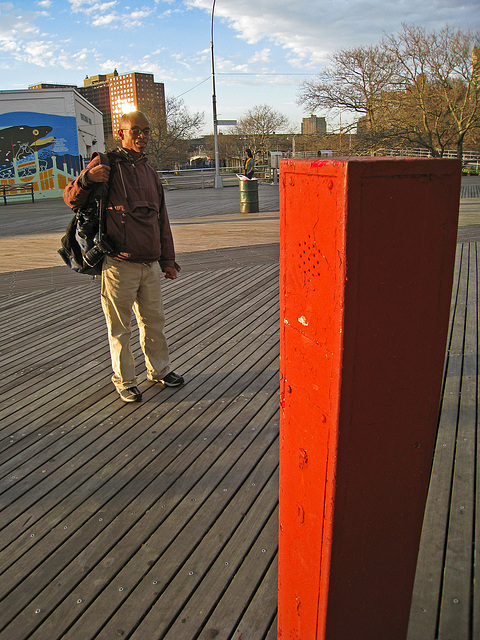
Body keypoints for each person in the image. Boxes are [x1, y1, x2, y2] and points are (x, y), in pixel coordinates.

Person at [63, 111, 184, 403]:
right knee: (119, 328)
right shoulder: (105, 164)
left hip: (150, 264)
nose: (142, 136)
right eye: (135, 131)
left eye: (146, 130)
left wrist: (168, 260)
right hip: (119, 264)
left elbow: (161, 221)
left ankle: (159, 370)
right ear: (121, 133)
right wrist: (87, 179)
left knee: (154, 322)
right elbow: (70, 198)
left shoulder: (150, 173)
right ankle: (125, 380)